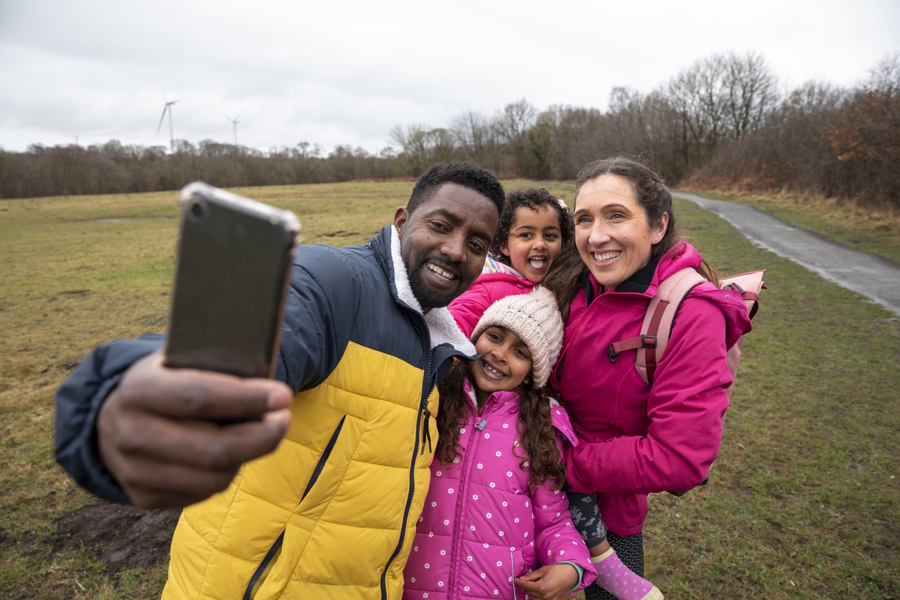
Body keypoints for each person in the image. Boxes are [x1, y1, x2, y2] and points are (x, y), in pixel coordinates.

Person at [54, 162, 506, 600]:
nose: (454, 250)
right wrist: (129, 396)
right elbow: (263, 333)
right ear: (402, 221)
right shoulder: (334, 284)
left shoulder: (441, 345)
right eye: (441, 225)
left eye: (476, 242)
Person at [544, 157, 753, 600]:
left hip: (607, 510)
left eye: (616, 215)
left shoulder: (693, 314)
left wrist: (566, 466)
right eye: (584, 219)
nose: (596, 236)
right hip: (528, 492)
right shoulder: (574, 279)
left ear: (658, 226)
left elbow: (681, 457)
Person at [403, 287, 598, 600]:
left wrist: (569, 565)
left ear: (534, 371)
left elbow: (552, 521)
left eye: (520, 352)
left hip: (497, 591)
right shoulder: (434, 400)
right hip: (413, 588)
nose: (500, 353)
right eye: (494, 337)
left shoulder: (540, 430)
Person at [449, 187, 572, 338]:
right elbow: (452, 327)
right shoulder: (489, 289)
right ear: (505, 245)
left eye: (550, 235)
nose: (540, 244)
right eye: (526, 235)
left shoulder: (565, 285)